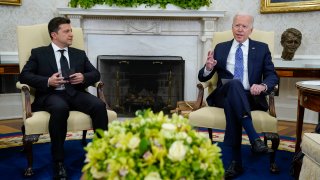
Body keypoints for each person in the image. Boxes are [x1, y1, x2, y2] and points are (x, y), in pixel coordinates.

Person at [19, 17, 108, 179]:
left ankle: (103, 155)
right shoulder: (39, 53)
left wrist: (84, 77)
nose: (71, 34)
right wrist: (47, 81)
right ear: (54, 35)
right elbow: (24, 75)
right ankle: (58, 162)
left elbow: (96, 73)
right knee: (60, 108)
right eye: (66, 31)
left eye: (71, 31)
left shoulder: (78, 54)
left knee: (99, 106)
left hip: (75, 93)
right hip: (50, 95)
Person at [198, 13, 279, 179]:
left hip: (251, 97)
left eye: (244, 26)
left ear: (251, 30)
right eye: (237, 25)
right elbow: (203, 77)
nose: (240, 29)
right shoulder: (221, 47)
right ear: (232, 27)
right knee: (234, 84)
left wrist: (263, 86)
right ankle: (254, 138)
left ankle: (236, 163)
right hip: (223, 93)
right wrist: (207, 67)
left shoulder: (262, 48)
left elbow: (272, 76)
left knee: (233, 103)